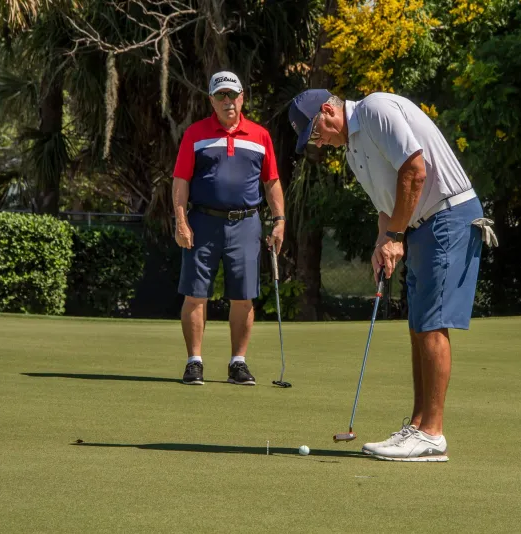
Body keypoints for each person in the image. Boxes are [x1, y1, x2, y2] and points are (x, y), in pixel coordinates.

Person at [289, 89, 496, 461]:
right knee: (417, 325)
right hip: (420, 226)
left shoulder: (375, 109)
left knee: (432, 323)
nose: (319, 142)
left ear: (327, 110)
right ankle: (417, 428)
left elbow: (415, 171)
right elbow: (387, 204)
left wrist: (396, 237)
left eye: (316, 132)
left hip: (448, 215)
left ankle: (432, 433)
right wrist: (383, 241)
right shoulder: (353, 150)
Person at [172, 71, 285, 386]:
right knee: (195, 294)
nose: (227, 101)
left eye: (232, 95)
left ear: (242, 97)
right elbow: (180, 181)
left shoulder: (260, 136)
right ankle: (194, 361)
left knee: (244, 297)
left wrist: (280, 221)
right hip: (202, 222)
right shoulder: (195, 134)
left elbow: (272, 182)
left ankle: (238, 362)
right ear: (211, 100)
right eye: (220, 96)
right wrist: (181, 221)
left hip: (246, 223)